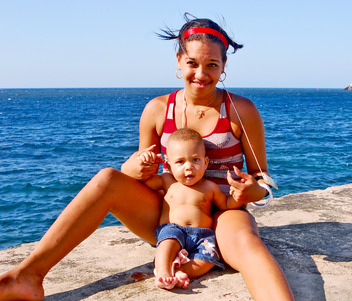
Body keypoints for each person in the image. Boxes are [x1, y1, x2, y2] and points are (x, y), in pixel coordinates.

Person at [0, 13, 294, 300]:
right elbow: (144, 174)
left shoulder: (241, 111)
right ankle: (27, 276)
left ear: (224, 66)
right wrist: (132, 169)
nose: (201, 75)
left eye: (211, 65)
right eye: (192, 63)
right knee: (106, 178)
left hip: (225, 212)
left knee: (247, 244)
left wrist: (252, 190)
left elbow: (261, 177)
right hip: (172, 216)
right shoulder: (156, 110)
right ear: (178, 61)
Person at [145, 128, 245, 290]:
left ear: (206, 162)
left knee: (209, 259)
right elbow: (144, 182)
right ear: (168, 165)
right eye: (180, 162)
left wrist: (237, 197)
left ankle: (179, 271)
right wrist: (145, 161)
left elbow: (225, 205)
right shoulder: (166, 181)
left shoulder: (210, 187)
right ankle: (163, 271)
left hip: (202, 235)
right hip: (174, 229)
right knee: (167, 243)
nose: (189, 167)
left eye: (195, 160)